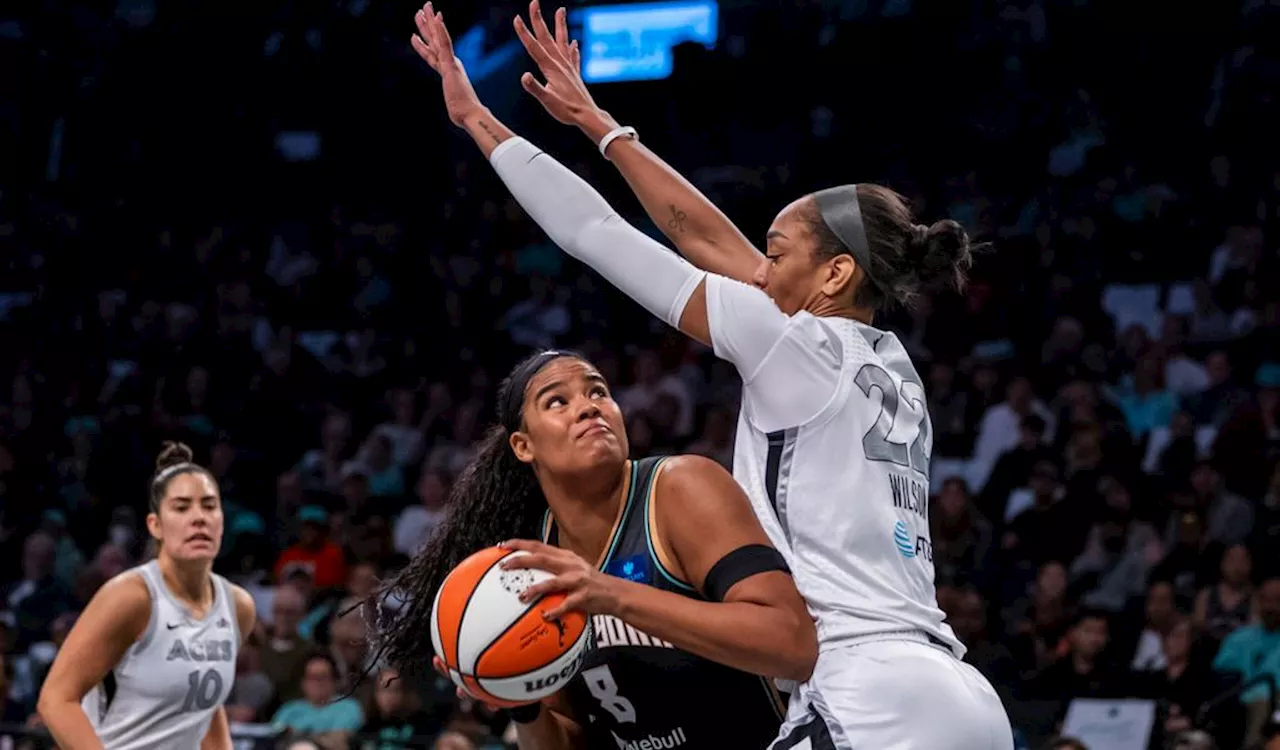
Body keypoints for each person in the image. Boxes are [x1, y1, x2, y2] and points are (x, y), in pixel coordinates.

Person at [407, 4, 1012, 747]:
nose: (761, 272)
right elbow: (703, 236)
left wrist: (481, 126)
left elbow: (596, 233)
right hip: (956, 693)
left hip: (867, 690)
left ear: (834, 273)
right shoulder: (886, 364)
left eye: (778, 253)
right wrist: (603, 127)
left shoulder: (793, 346)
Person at [372, 350, 815, 749]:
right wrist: (519, 702)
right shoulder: (531, 561)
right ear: (523, 446)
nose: (588, 407)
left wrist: (614, 596)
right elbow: (570, 738)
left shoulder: (679, 489)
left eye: (598, 391)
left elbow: (794, 644)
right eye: (557, 402)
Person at [36, 442, 256, 749]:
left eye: (209, 506)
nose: (199, 518)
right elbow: (56, 700)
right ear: (156, 525)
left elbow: (203, 710)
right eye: (181, 507)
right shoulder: (132, 597)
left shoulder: (238, 607)